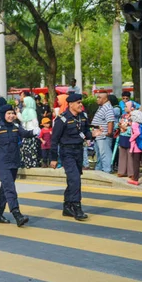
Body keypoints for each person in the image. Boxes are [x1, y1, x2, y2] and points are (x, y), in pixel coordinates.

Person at [0, 105, 40, 226]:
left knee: (5, 189)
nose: (11, 116)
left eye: (12, 113)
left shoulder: (16, 126)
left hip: (14, 162)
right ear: (3, 115)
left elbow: (25, 133)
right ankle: (17, 214)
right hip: (2, 164)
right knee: (10, 189)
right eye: (8, 114)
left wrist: (34, 131)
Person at [50, 93, 91, 221]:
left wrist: (91, 135)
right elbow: (54, 140)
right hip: (67, 152)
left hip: (79, 151)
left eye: (81, 102)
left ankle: (67, 206)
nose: (80, 105)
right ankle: (76, 207)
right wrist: (53, 158)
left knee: (74, 179)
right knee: (75, 179)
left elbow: (86, 131)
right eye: (78, 103)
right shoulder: (62, 119)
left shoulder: (82, 116)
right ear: (71, 104)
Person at [91, 91, 115, 173]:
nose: (97, 99)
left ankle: (106, 171)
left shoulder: (107, 108)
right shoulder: (102, 107)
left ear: (105, 99)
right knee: (99, 155)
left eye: (99, 97)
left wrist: (109, 133)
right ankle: (99, 170)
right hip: (98, 136)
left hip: (104, 136)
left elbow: (110, 121)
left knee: (105, 154)